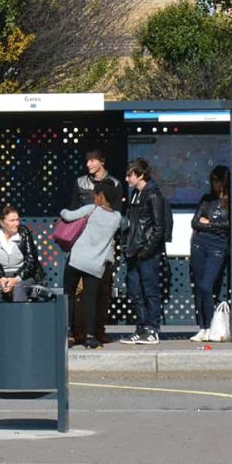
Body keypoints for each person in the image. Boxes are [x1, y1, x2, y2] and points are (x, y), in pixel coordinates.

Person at [68, 145, 123, 345]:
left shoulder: (115, 183)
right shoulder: (80, 182)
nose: (88, 164)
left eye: (92, 160)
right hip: (83, 243)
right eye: (87, 160)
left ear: (102, 161)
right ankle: (77, 331)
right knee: (78, 292)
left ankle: (98, 330)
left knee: (102, 291)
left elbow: (116, 213)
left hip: (104, 245)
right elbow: (73, 208)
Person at [120, 158, 166, 345]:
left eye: (130, 175)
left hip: (145, 253)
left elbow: (159, 227)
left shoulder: (152, 194)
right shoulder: (135, 194)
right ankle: (141, 327)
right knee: (134, 291)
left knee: (150, 291)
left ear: (140, 175)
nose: (127, 178)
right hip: (133, 251)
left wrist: (146, 251)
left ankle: (152, 329)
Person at [188, 165, 231, 342]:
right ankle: (203, 327)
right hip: (199, 245)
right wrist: (211, 225)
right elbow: (195, 222)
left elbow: (228, 225)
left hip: (217, 247)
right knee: (199, 287)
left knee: (207, 285)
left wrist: (209, 223)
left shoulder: (230, 201)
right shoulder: (207, 199)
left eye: (218, 181)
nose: (215, 184)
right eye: (213, 180)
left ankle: (211, 324)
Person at [0, 204, 45, 302]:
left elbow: (31, 263)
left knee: (18, 289)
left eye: (17, 220)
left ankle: (19, 317)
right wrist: (0, 279)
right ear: (2, 223)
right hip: (1, 276)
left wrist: (16, 279)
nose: (16, 223)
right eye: (12, 220)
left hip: (23, 276)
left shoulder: (24, 235)